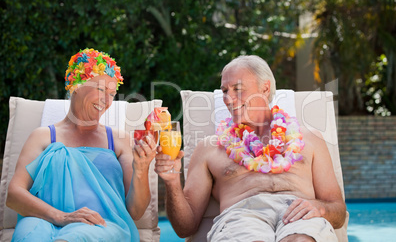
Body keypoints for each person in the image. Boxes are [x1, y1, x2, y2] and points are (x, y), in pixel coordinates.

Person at [155, 55, 346, 242]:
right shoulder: (209, 148)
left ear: (265, 88)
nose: (228, 99)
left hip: (299, 217)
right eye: (224, 91)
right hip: (241, 219)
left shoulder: (310, 139)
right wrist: (172, 182)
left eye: (237, 89)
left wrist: (320, 208)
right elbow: (185, 228)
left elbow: (337, 210)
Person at [7, 48, 157, 242]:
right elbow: (14, 194)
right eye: (101, 89)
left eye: (112, 94)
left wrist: (141, 170)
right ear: (76, 85)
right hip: (43, 220)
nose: (107, 101)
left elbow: (136, 211)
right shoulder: (43, 137)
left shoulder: (119, 140)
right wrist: (60, 217)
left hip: (100, 224)